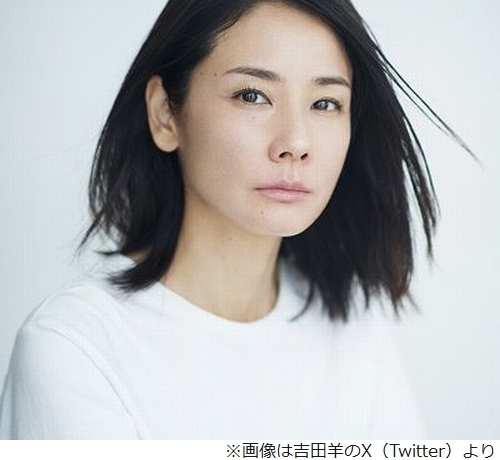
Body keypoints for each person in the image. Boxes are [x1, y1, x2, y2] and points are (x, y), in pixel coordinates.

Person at [0, 0, 468, 439]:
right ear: (165, 114)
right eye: (252, 95)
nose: (296, 142)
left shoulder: (353, 327)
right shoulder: (75, 348)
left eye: (325, 103)